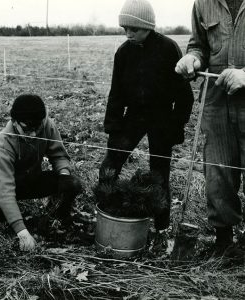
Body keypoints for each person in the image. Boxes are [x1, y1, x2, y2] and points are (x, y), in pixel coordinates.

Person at [99, 0, 194, 231]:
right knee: (109, 166)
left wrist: (176, 125)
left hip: (162, 117)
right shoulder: (123, 52)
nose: (129, 34)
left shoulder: (169, 49)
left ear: (149, 27)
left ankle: (161, 226)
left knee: (159, 173)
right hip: (132, 117)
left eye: (135, 29)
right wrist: (113, 126)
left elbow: (184, 95)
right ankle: (107, 213)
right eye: (125, 29)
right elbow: (116, 91)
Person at [175, 0, 245, 257]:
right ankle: (224, 241)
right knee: (218, 171)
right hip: (216, 102)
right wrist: (192, 59)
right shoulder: (203, 3)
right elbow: (199, 45)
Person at [0, 94, 82, 251]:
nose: (34, 134)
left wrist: (63, 175)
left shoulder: (47, 125)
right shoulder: (2, 145)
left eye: (37, 127)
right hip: (11, 185)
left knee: (73, 183)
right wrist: (22, 233)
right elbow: (4, 191)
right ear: (15, 122)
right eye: (28, 129)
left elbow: (58, 155)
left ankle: (55, 216)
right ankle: (12, 224)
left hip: (34, 180)